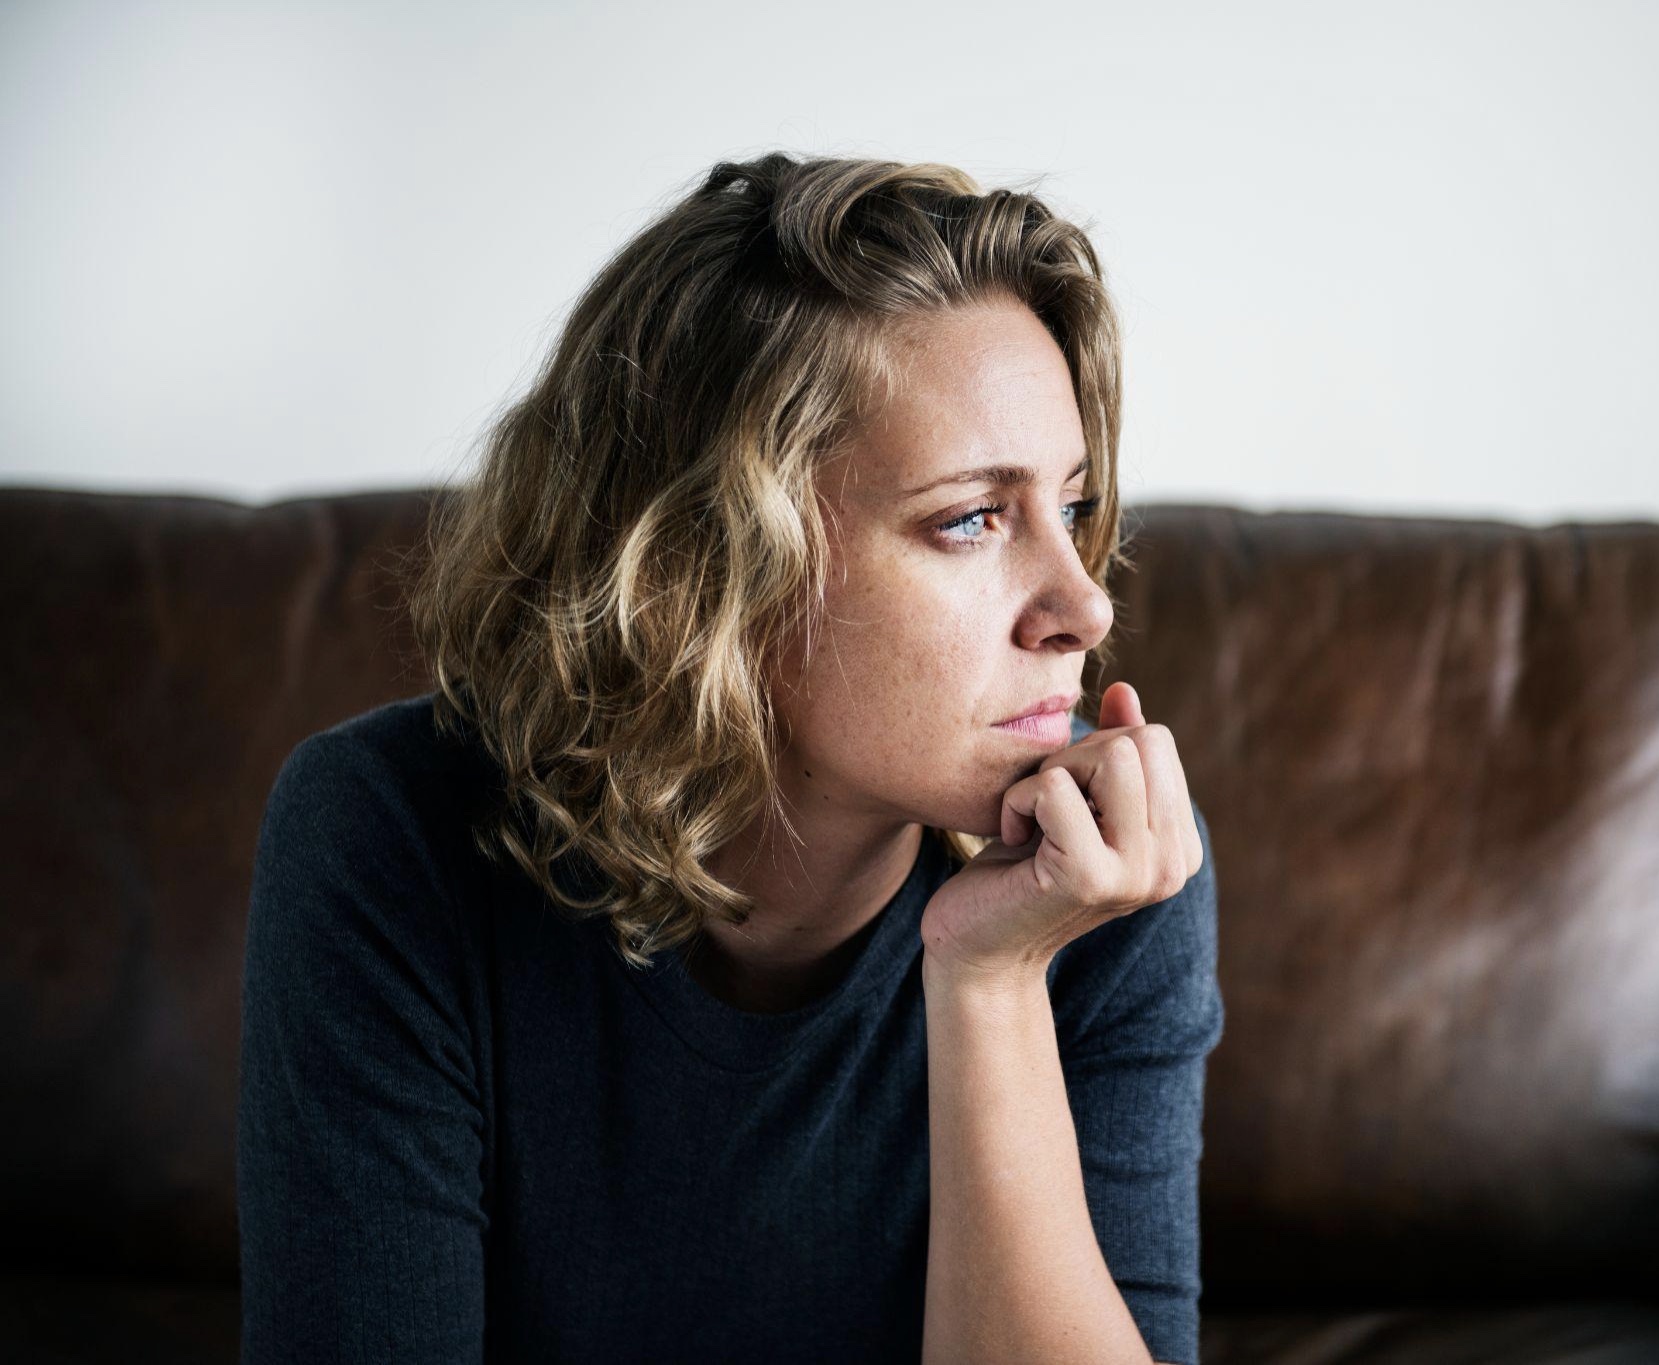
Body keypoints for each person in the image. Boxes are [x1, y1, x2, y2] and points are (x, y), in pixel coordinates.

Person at [236, 151, 1225, 1365]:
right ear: (707, 568)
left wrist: (989, 985)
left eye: (1069, 509)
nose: (1083, 606)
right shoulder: (388, 835)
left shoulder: (1105, 874)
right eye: (970, 518)